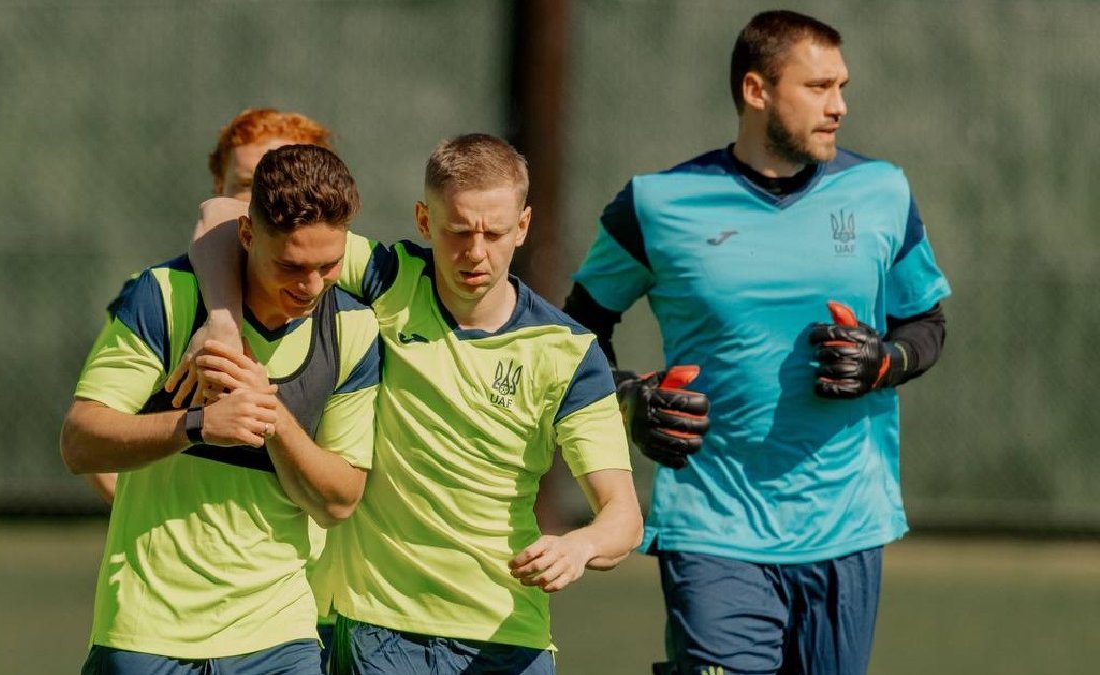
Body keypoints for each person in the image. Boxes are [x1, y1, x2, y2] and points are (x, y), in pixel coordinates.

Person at [563, 10, 950, 675]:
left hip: (846, 527)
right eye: (819, 87)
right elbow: (575, 333)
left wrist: (884, 360)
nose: (839, 106)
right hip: (711, 528)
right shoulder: (657, 205)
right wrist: (627, 400)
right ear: (756, 90)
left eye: (842, 86)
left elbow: (926, 325)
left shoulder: (883, 192)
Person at [188, 133, 644, 675]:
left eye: (495, 233)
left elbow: (623, 518)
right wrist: (222, 321)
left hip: (507, 636)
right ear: (424, 221)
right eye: (458, 231)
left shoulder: (568, 351)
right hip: (379, 629)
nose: (475, 252)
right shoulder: (392, 279)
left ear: (523, 226)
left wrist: (579, 547)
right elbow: (221, 214)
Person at [60, 144, 381, 675]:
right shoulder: (165, 298)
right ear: (248, 235)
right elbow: (79, 442)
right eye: (291, 266)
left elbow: (339, 501)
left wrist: (272, 417)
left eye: (328, 266)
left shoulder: (352, 328)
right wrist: (198, 426)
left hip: (279, 636)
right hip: (146, 631)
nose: (310, 286)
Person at [85, 107, 337, 504]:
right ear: (219, 184)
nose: (273, 198)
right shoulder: (161, 294)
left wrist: (222, 320)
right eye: (248, 184)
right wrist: (151, 515)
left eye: (293, 180)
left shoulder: (346, 288)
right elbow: (90, 442)